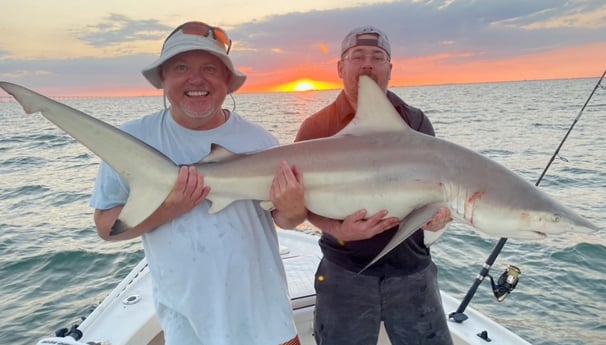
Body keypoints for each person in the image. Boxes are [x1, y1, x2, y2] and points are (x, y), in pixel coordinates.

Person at [90, 21, 306, 345]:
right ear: (162, 78)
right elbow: (107, 227)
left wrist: (295, 211)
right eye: (181, 67)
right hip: (189, 322)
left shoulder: (261, 141)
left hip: (267, 317)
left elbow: (283, 219)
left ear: (227, 82)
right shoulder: (132, 143)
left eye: (210, 68)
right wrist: (170, 208)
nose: (196, 79)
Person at [294, 26, 454, 345]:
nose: (368, 64)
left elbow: (437, 188)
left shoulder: (415, 122)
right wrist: (337, 230)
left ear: (389, 70)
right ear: (340, 68)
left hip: (412, 271)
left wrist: (440, 212)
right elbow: (299, 203)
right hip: (344, 272)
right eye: (358, 56)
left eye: (377, 57)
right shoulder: (316, 127)